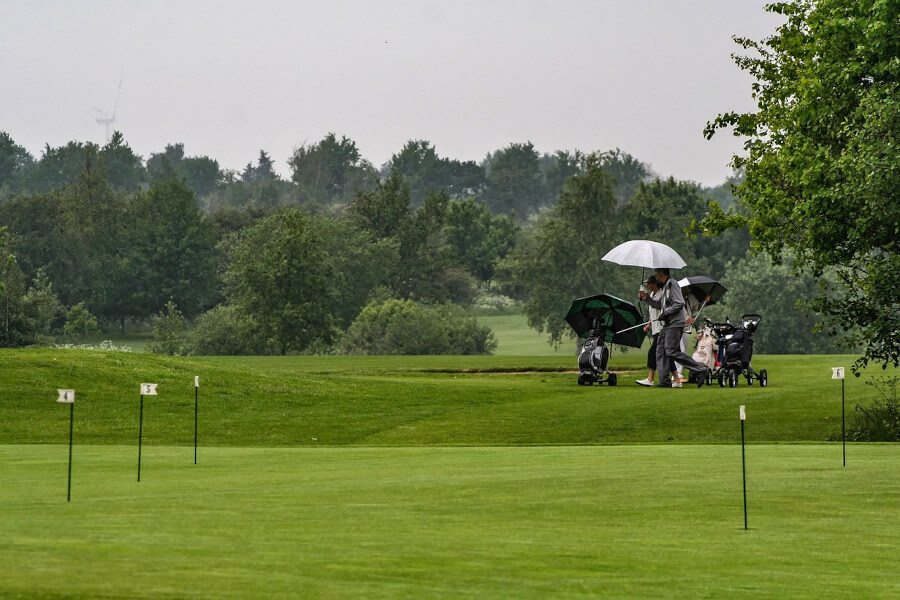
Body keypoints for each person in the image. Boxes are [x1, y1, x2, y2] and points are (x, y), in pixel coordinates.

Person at [645, 268, 710, 388]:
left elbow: (679, 302)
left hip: (675, 323)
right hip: (667, 324)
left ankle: (700, 369)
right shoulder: (665, 286)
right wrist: (647, 299)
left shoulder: (672, 284)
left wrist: (666, 313)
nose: (655, 276)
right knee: (660, 350)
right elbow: (660, 305)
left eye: (657, 273)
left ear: (661, 274)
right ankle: (664, 380)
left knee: (671, 351)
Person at [635, 276, 661, 386]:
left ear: (655, 284)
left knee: (652, 353)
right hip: (655, 329)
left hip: (662, 328)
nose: (648, 286)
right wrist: (649, 324)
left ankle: (650, 379)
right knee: (666, 355)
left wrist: (646, 298)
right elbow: (653, 312)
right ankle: (676, 378)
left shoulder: (661, 294)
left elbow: (658, 306)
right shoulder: (652, 294)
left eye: (649, 283)